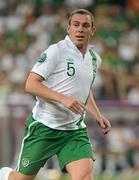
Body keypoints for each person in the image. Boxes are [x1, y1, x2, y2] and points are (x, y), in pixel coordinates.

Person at [0, 9, 111, 180]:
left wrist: (97, 114)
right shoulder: (56, 51)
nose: (80, 29)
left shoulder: (94, 58)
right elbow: (30, 84)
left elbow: (84, 89)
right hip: (44, 127)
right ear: (69, 28)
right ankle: (5, 174)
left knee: (84, 177)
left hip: (74, 131)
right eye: (76, 25)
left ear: (92, 30)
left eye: (85, 25)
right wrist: (62, 98)